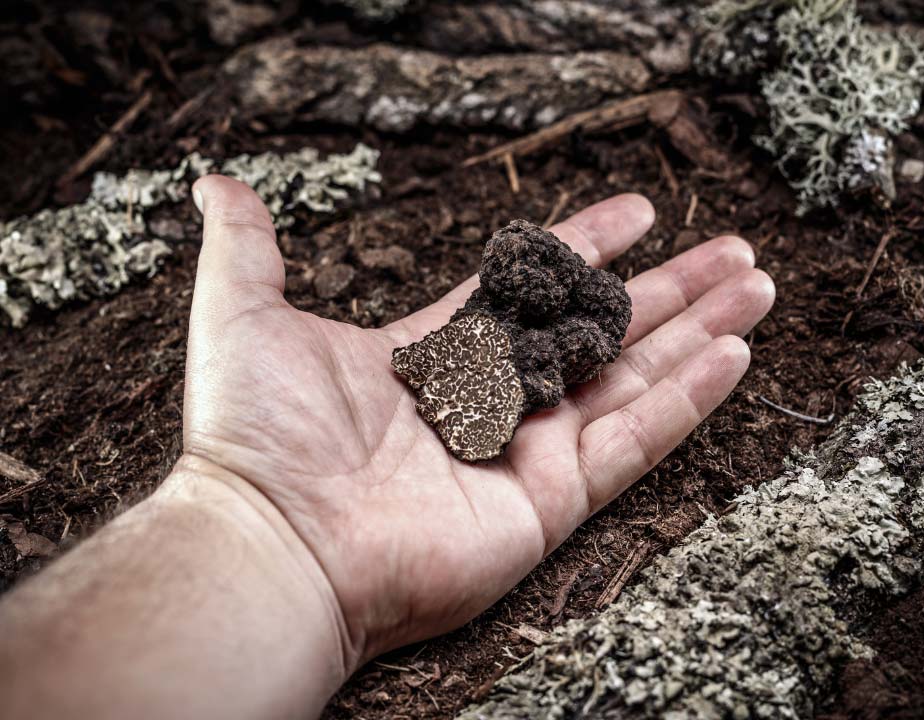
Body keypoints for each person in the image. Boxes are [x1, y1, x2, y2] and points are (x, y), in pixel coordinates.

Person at [0, 176, 775, 718]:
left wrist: (248, 526)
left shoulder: (541, 341)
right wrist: (251, 504)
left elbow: (568, 331)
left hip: (495, 381)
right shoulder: (499, 332)